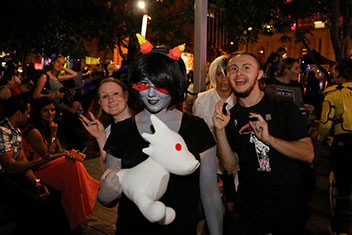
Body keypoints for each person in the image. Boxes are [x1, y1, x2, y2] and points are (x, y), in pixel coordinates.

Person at [98, 41, 222, 235]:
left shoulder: (196, 128)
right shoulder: (122, 131)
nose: (152, 92)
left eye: (161, 84)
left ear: (174, 84)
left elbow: (210, 193)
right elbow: (109, 196)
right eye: (144, 84)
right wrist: (106, 194)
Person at [213, 51, 314, 234]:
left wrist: (269, 139)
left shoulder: (282, 107)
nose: (238, 73)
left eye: (246, 68)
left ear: (259, 74)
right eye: (233, 69)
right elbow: (229, 165)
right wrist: (219, 130)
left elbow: (308, 154)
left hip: (286, 206)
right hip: (249, 207)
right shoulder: (231, 116)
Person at [21, 96, 100, 231]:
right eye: (46, 110)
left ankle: (75, 213)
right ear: (38, 112)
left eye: (52, 110)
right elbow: (48, 155)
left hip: (49, 166)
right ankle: (81, 205)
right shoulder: (33, 131)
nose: (50, 113)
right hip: (36, 170)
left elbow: (60, 151)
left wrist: (71, 153)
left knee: (74, 163)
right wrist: (53, 134)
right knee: (73, 166)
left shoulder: (50, 126)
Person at [0, 95, 67, 234]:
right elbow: (9, 166)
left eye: (53, 110)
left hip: (16, 174)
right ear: (19, 113)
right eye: (27, 112)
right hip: (4, 178)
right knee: (37, 204)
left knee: (53, 194)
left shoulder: (15, 131)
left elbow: (22, 161)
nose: (29, 116)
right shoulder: (3, 131)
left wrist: (36, 182)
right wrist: (40, 162)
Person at [193, 54, 237, 211]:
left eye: (227, 74)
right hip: (207, 165)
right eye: (219, 74)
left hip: (234, 166)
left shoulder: (240, 102)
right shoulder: (202, 100)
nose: (224, 80)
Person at [318, 58, 352, 235]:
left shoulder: (332, 94)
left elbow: (325, 124)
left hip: (343, 142)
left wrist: (320, 137)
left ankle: (340, 228)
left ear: (339, 73)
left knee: (341, 188)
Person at [80, 77, 136, 171]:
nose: (111, 100)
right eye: (105, 96)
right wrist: (101, 137)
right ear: (100, 103)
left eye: (116, 94)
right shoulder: (108, 131)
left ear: (126, 96)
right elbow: (107, 172)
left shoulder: (143, 123)